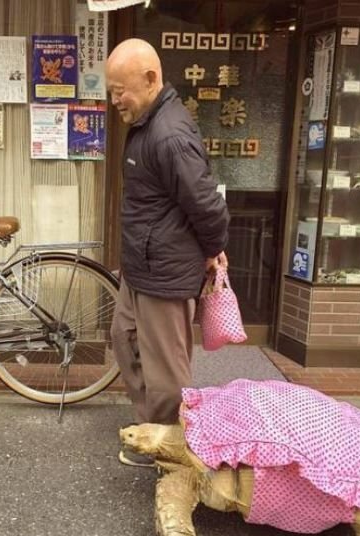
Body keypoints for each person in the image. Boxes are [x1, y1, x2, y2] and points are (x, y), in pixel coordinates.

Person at [106, 38, 230, 468]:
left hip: (166, 272)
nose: (114, 99)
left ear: (151, 79)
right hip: (142, 267)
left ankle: (173, 452)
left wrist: (214, 249)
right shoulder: (147, 124)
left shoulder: (170, 134)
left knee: (167, 373)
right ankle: (150, 429)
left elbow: (206, 203)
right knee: (125, 342)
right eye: (110, 89)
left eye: (120, 89)